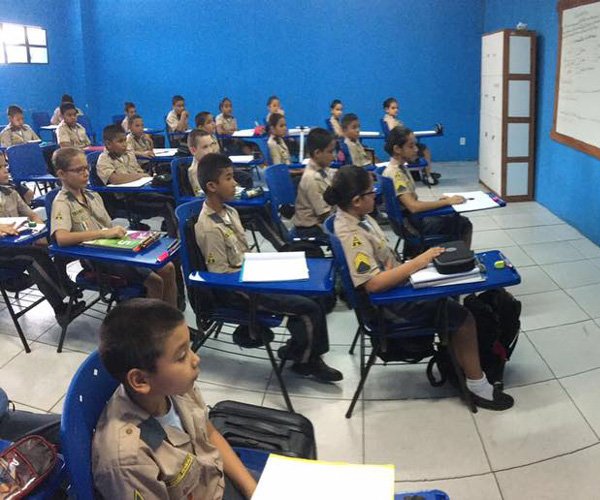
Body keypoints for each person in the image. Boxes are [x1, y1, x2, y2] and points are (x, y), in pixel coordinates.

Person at [328, 165, 514, 410]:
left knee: (455, 282)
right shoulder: (352, 233)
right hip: (387, 305)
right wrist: (419, 262)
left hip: (397, 286)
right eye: (370, 192)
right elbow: (373, 284)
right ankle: (477, 386)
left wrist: (417, 268)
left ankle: (459, 360)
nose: (376, 195)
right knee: (464, 318)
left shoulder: (358, 217)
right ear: (356, 200)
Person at [195, 153, 342, 381]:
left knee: (316, 294)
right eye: (229, 178)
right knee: (308, 308)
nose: (235, 183)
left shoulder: (231, 211)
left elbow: (244, 254)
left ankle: (297, 347)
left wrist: (269, 267)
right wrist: (260, 278)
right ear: (212, 186)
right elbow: (221, 275)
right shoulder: (208, 227)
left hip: (253, 274)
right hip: (240, 290)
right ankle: (307, 362)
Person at [92, 298, 258, 499]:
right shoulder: (129, 459)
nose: (196, 359)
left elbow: (209, 433)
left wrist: (254, 491)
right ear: (141, 380)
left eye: (189, 347)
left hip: (215, 478)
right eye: (181, 356)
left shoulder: (176, 387)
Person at [50, 147, 179, 307]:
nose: (85, 173)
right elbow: (61, 238)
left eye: (86, 168)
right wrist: (103, 234)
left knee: (168, 267)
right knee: (155, 281)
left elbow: (108, 227)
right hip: (97, 258)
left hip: (113, 248)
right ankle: (152, 327)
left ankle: (172, 319)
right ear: (62, 174)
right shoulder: (62, 202)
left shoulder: (92, 195)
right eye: (78, 170)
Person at [0, 157, 75, 323]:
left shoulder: (10, 191)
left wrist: (39, 231)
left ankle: (65, 282)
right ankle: (61, 307)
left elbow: (32, 214)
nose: (6, 170)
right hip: (3, 251)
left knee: (55, 240)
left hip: (16, 243)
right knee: (34, 257)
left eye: (5, 165)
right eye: (0, 167)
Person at [382, 126, 471, 254]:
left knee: (449, 216)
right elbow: (413, 206)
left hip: (407, 222)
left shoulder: (397, 168)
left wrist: (439, 203)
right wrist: (446, 202)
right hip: (412, 225)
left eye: (415, 145)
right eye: (411, 146)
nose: (416, 149)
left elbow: (410, 203)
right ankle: (461, 260)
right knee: (464, 224)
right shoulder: (396, 174)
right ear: (397, 149)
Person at [382, 97, 440, 184]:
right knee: (425, 150)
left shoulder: (393, 120)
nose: (396, 110)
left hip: (404, 142)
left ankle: (426, 173)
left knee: (423, 147)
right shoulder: (390, 121)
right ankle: (428, 175)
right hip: (403, 144)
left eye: (397, 108)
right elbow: (396, 134)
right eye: (393, 108)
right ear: (386, 109)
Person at [292, 128, 334, 237]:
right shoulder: (311, 178)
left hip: (319, 222)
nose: (333, 156)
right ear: (317, 153)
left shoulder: (322, 169)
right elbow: (324, 214)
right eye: (330, 152)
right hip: (310, 228)